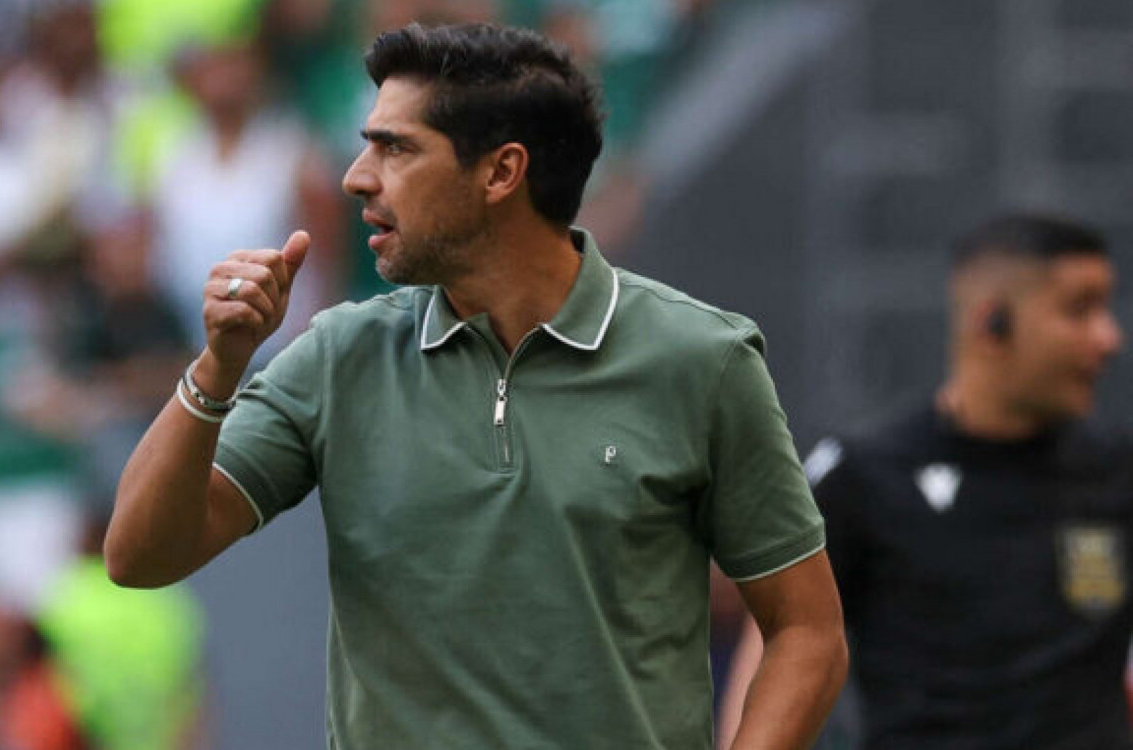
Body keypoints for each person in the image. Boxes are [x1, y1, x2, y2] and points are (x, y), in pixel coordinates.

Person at [105, 22, 846, 750]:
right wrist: (217, 369)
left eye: (395, 149)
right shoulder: (334, 356)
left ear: (501, 173)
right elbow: (140, 556)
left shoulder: (702, 360)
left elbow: (808, 632)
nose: (356, 177)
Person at [725, 212, 1129, 749]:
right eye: (1079, 310)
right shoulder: (863, 475)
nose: (1109, 339)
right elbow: (780, 638)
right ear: (992, 323)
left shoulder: (1118, 470)